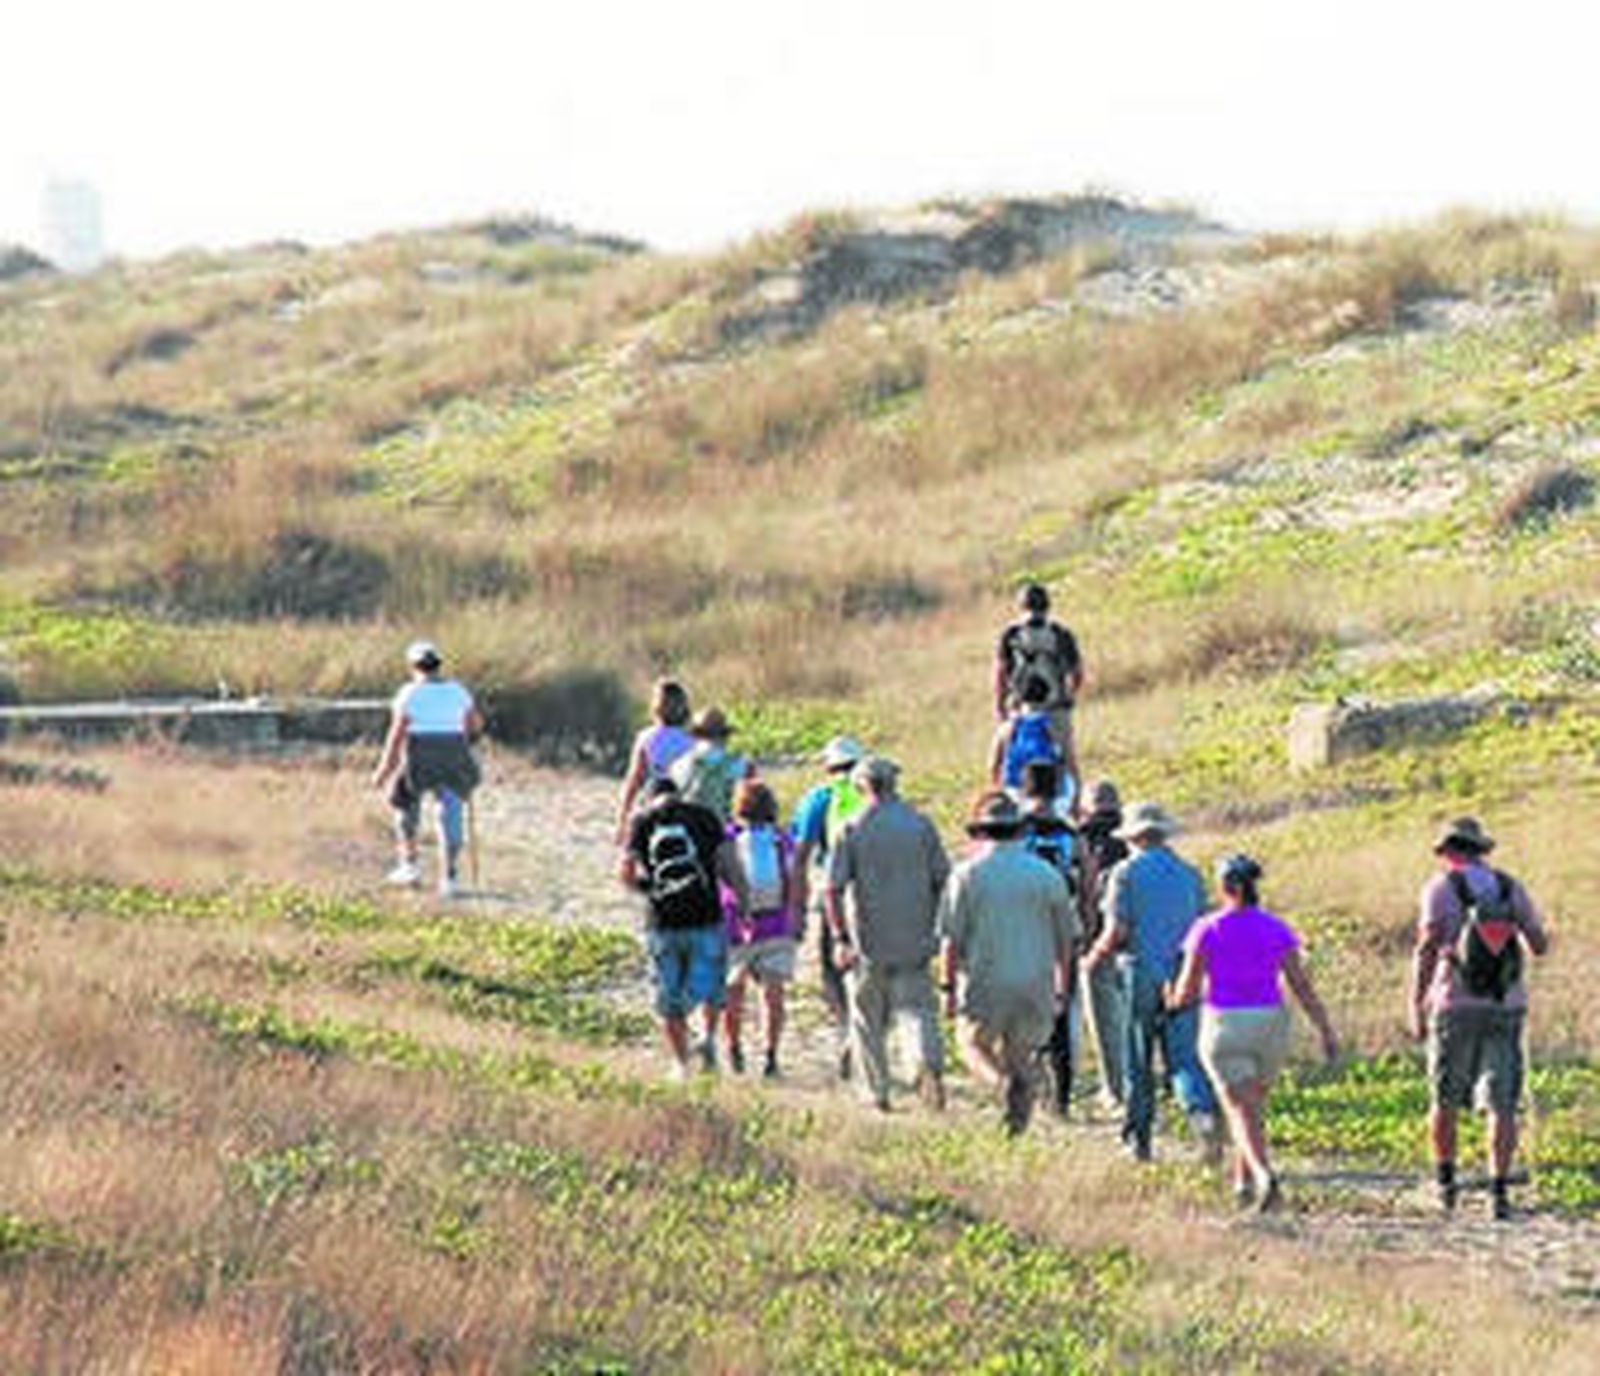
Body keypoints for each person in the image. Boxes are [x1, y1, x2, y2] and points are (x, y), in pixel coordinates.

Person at [1167, 854, 1339, 1211]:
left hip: (1225, 1023)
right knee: (1251, 1108)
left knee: (1236, 1108)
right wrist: (1324, 1028)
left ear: (1223, 887)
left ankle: (1263, 1175)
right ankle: (1242, 1185)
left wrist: (1169, 998)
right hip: (1269, 1023)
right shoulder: (1276, 928)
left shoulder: (1206, 928)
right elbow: (1301, 986)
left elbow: (1186, 991)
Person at [1409, 817, 1549, 1221]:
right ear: (1480, 849)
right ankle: (1498, 1192)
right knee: (1502, 1101)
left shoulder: (1440, 888)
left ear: (1449, 851)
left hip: (1454, 1004)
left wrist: (1417, 1003)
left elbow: (1426, 947)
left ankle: (1446, 1185)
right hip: (1506, 1005)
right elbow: (1539, 944)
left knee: (1445, 1097)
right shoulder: (1509, 886)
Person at [1081, 801, 1219, 1162]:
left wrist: (1092, 959)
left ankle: (1137, 1138)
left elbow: (1117, 930)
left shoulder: (1124, 874)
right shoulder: (1189, 875)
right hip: (1183, 973)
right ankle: (1201, 1114)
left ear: (1133, 838)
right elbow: (1201, 929)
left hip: (1139, 970)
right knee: (1184, 1056)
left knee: (1137, 1057)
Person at [941, 791, 1080, 1136]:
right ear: (1019, 830)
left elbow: (950, 939)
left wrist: (947, 988)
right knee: (1022, 1058)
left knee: (971, 1045)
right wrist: (1062, 988)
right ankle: (1016, 1130)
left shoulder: (966, 875)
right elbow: (1067, 940)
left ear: (980, 832)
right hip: (1035, 983)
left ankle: (1000, 1084)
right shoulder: (1047, 875)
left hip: (984, 981)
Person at [825, 756, 950, 1112]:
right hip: (915, 936)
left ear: (862, 786)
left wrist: (840, 937)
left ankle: (877, 1092)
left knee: (867, 1021)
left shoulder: (851, 828)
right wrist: (937, 926)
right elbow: (943, 880)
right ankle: (924, 1062)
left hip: (867, 940)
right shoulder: (921, 825)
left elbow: (832, 888)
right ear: (895, 783)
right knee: (918, 1011)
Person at [620, 776, 750, 1081]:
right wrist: (743, 905)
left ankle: (680, 1064)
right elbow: (729, 865)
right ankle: (707, 1038)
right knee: (710, 988)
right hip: (707, 917)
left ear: (648, 797)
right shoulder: (706, 817)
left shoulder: (642, 822)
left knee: (668, 996)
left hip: (662, 923)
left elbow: (625, 873)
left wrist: (649, 889)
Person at [370, 640, 484, 899]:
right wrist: (467, 742)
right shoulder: (458, 691)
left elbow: (396, 736)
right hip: (453, 755)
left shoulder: (409, 693)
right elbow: (474, 726)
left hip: (419, 755)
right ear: (438, 666)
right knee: (449, 813)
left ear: (413, 666)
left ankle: (409, 866)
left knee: (405, 807)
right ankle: (449, 878)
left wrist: (383, 771)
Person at [789, 734, 868, 1077]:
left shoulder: (819, 798)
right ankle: (864, 1031)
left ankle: (846, 1027)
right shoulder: (871, 794)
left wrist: (797, 905)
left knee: (831, 967)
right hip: (873, 892)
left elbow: (800, 855)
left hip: (833, 891)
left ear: (827, 767)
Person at [721, 780, 802, 1079]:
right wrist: (796, 918)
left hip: (734, 925)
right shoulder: (782, 839)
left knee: (733, 993)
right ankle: (771, 1056)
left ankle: (734, 1049)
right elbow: (795, 879)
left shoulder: (726, 837)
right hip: (776, 924)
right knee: (773, 994)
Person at [1016, 761, 1080, 1117]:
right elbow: (1086, 883)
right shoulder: (1070, 833)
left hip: (1025, 928)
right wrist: (1086, 926)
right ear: (1057, 790)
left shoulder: (1016, 832)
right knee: (1061, 1013)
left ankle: (1031, 1085)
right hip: (1062, 929)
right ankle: (1062, 1099)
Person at [993, 582, 1083, 803]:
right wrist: (1069, 697)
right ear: (1047, 606)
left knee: (1006, 757)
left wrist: (1001, 705)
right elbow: (1077, 673)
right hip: (1055, 709)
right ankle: (1074, 803)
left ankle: (1004, 803)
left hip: (1020, 708)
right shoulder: (1061, 634)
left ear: (1021, 605)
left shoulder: (1011, 635)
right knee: (1067, 761)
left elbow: (1000, 673)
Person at [1077, 779, 1130, 1110]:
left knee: (1105, 1025)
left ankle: (1114, 1089)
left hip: (1098, 943)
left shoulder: (1080, 839)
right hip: (1137, 946)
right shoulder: (1132, 838)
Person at [614, 678, 696, 844]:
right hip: (684, 804)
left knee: (633, 848)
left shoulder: (646, 737)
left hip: (652, 801)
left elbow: (634, 780)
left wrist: (622, 817)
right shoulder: (692, 740)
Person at [989, 675, 1075, 812]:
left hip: (1014, 788)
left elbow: (994, 765)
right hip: (1049, 791)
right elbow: (1069, 761)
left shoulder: (1008, 727)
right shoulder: (1054, 726)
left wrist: (996, 790)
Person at [670, 707, 752, 822]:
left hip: (688, 826)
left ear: (695, 735)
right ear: (724, 735)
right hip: (721, 827)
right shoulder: (739, 765)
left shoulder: (678, 764)